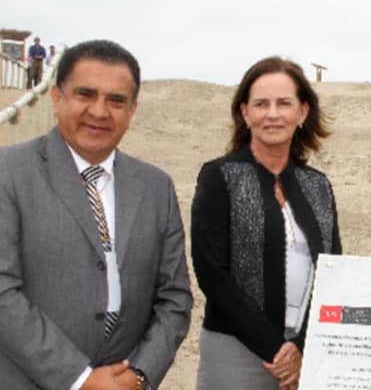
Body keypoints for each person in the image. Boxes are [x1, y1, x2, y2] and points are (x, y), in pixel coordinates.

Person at [0, 39, 193, 389]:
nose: (100, 112)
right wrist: (80, 379)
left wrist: (140, 373)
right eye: (85, 95)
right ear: (57, 98)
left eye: (116, 100)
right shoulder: (8, 172)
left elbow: (175, 298)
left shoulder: (156, 187)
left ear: (132, 110)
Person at [191, 56, 342, 390]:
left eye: (284, 103)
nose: (273, 114)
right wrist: (276, 350)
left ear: (302, 112)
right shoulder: (220, 177)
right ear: (245, 113)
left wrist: (300, 347)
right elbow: (211, 273)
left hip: (306, 353)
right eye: (261, 104)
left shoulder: (318, 185)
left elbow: (333, 271)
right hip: (235, 351)